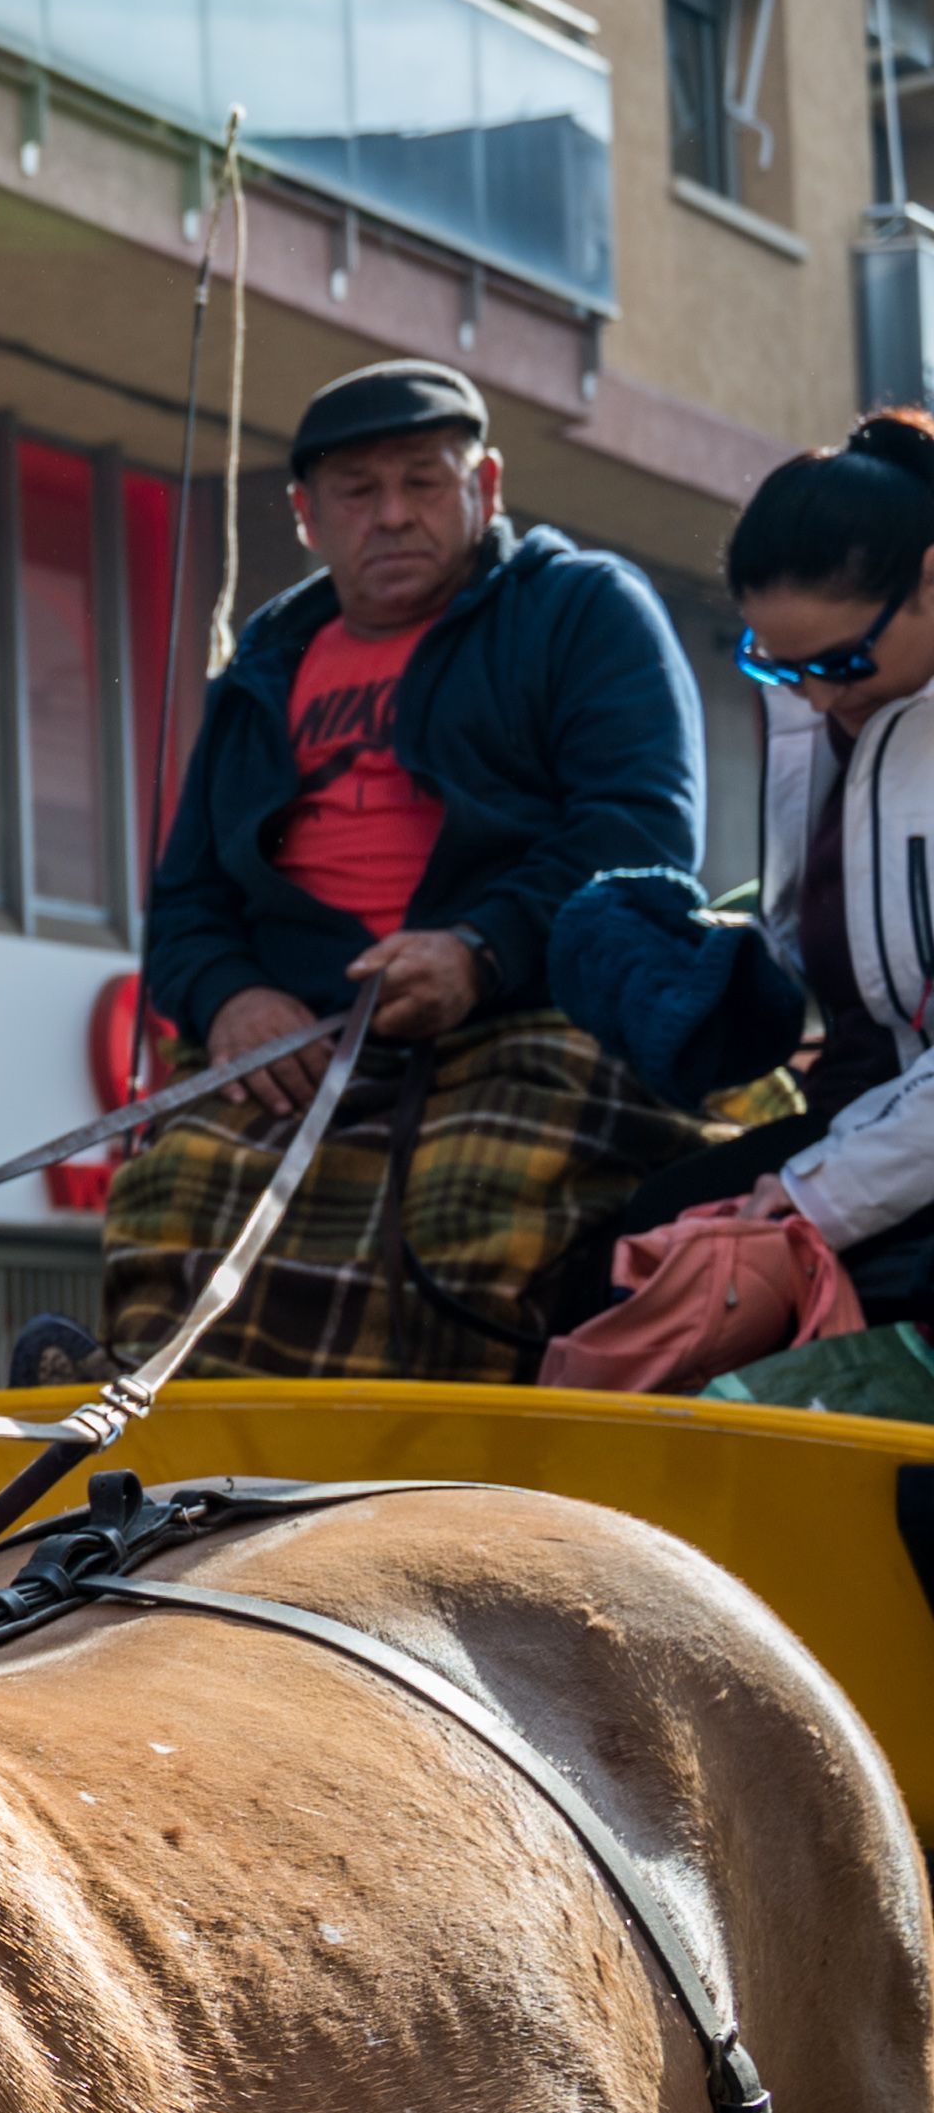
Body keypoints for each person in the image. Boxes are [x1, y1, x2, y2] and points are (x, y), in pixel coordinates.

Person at [69, 360, 711, 1382]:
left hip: (527, 1019)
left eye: (424, 480)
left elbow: (642, 831)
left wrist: (479, 950)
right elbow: (187, 902)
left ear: (486, 487)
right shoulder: (258, 669)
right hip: (299, 1043)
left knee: (469, 1210)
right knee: (172, 1194)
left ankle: (451, 1498)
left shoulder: (582, 608)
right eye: (357, 493)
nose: (393, 515)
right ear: (305, 517)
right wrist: (230, 999)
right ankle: (170, 1473)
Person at [564, 414, 934, 1316]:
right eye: (776, 667)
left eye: (844, 662)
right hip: (856, 1124)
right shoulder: (818, 718)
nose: (815, 695)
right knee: (616, 1268)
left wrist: (819, 1193)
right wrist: (719, 971)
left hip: (889, 1159)